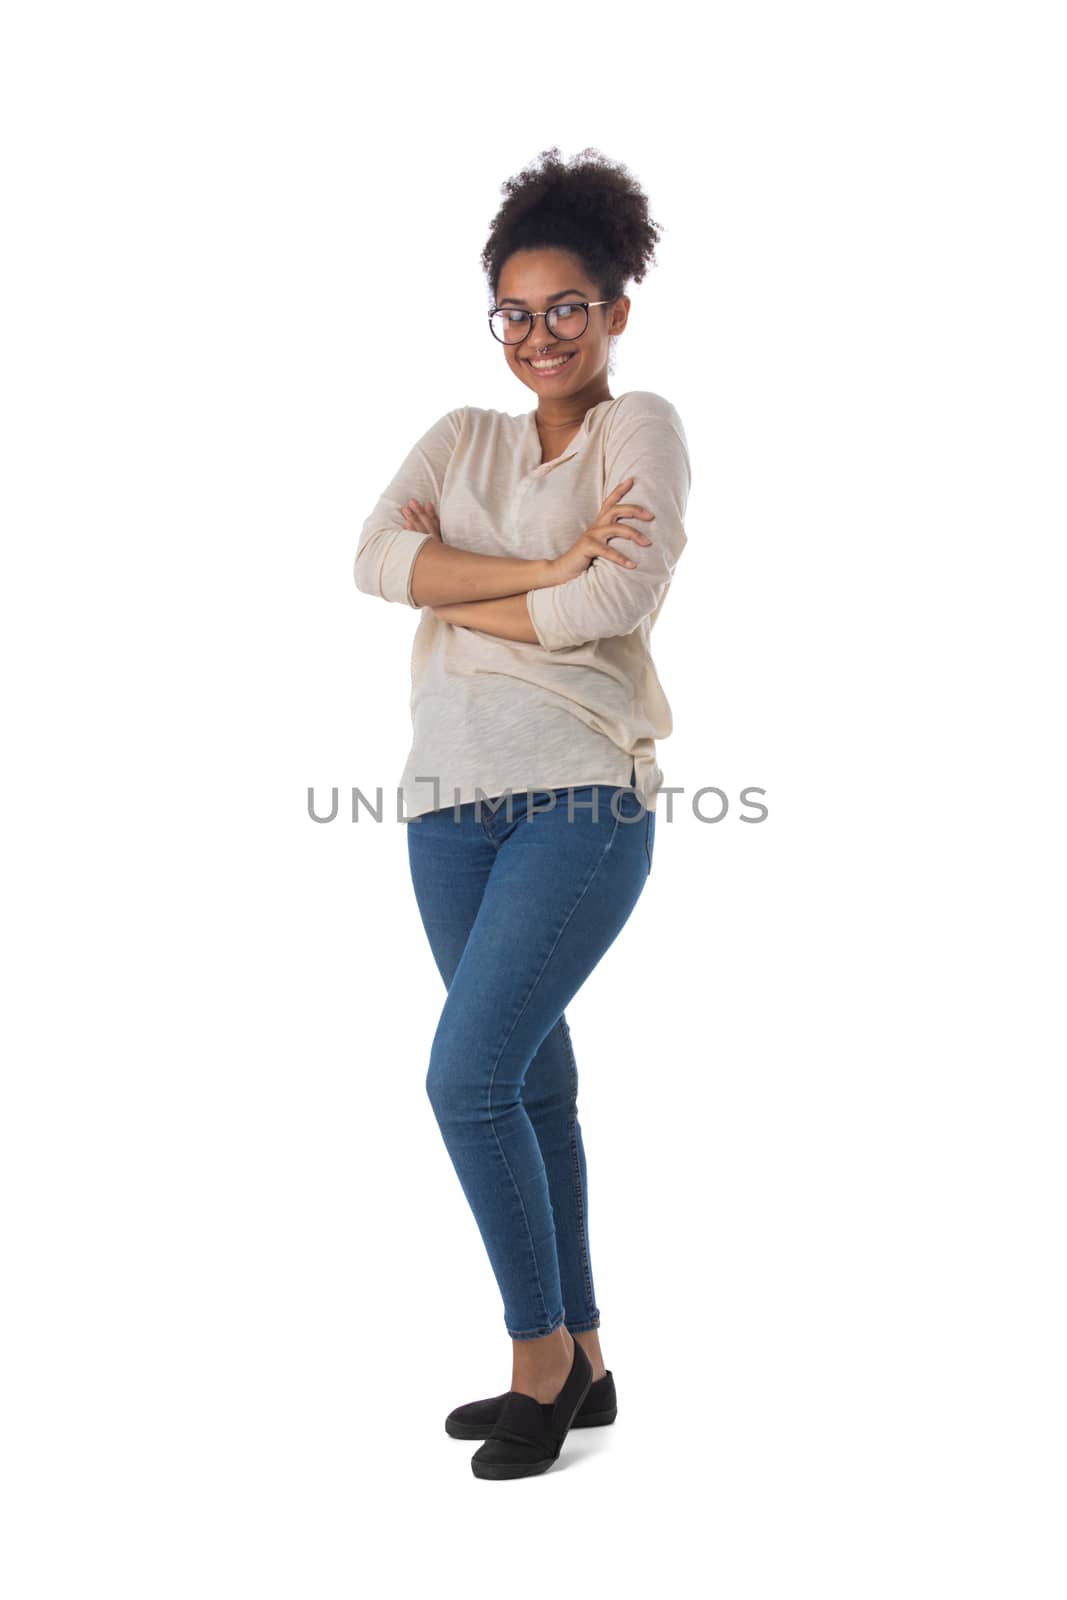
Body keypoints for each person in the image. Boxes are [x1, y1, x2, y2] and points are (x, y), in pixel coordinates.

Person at [353, 146, 692, 1479]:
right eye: (516, 311)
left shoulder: (641, 428)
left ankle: (534, 1359)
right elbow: (375, 561)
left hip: (581, 798)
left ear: (613, 309)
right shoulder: (461, 437)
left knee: (466, 1076)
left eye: (566, 308)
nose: (540, 336)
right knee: (531, 1076)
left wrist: (465, 583)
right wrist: (549, 560)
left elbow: (615, 604)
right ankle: (592, 1356)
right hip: (446, 806)